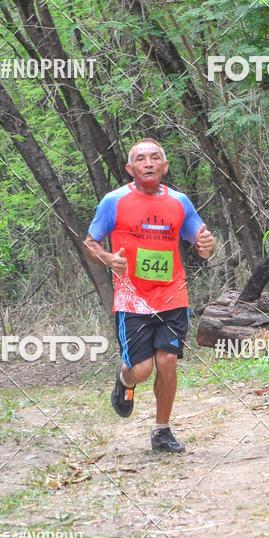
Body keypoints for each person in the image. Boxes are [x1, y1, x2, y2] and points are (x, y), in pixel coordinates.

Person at [83, 139, 216, 453]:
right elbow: (91, 242)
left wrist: (206, 246)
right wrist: (107, 259)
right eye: (141, 159)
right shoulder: (114, 201)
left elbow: (201, 238)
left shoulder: (180, 202)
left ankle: (162, 430)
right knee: (142, 370)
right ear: (130, 168)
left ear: (165, 166)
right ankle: (125, 380)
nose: (149, 163)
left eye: (155, 158)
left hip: (172, 295)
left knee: (167, 361)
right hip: (132, 300)